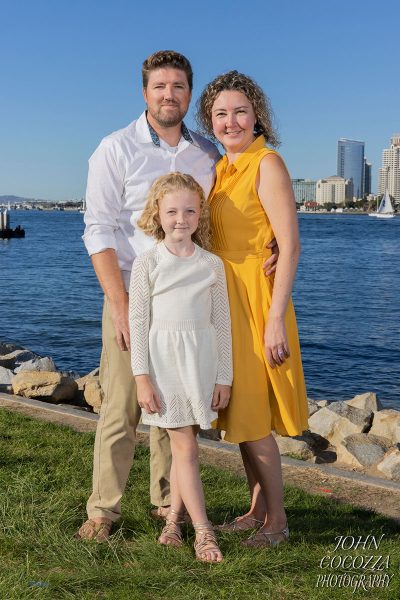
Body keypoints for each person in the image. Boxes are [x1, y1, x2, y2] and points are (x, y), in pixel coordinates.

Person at [77, 50, 221, 542]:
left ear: (188, 93)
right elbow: (98, 231)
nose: (168, 94)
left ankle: (167, 504)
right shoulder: (115, 149)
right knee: (122, 406)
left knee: (174, 406)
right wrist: (118, 303)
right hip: (132, 293)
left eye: (178, 86)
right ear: (145, 93)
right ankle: (103, 510)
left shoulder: (207, 154)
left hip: (187, 300)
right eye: (159, 86)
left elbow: (217, 223)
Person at [196, 71, 309, 548]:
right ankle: (257, 509)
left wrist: (274, 321)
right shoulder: (224, 168)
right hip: (225, 299)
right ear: (211, 121)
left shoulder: (267, 164)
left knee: (254, 420)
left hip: (256, 304)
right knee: (242, 416)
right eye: (220, 114)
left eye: (240, 111)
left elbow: (291, 245)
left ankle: (278, 524)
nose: (231, 121)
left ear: (256, 114)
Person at [130, 172, 232, 563]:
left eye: (189, 210)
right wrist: (142, 378)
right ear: (157, 212)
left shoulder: (212, 264)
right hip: (164, 365)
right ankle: (204, 533)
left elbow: (222, 324)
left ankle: (173, 520)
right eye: (172, 210)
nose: (180, 219)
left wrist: (224, 376)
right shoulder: (147, 263)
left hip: (201, 363)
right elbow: (139, 322)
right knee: (186, 447)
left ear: (200, 213)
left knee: (184, 446)